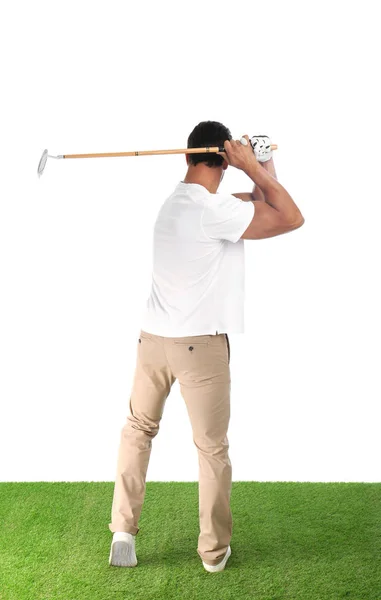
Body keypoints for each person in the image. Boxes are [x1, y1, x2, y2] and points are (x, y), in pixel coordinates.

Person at [108, 120, 305, 572]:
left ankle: (123, 530)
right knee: (212, 448)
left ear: (186, 156)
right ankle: (213, 553)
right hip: (200, 347)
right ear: (224, 161)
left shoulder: (178, 204)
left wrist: (263, 163)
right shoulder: (213, 210)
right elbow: (290, 217)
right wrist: (252, 167)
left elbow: (261, 203)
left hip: (152, 341)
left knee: (137, 430)